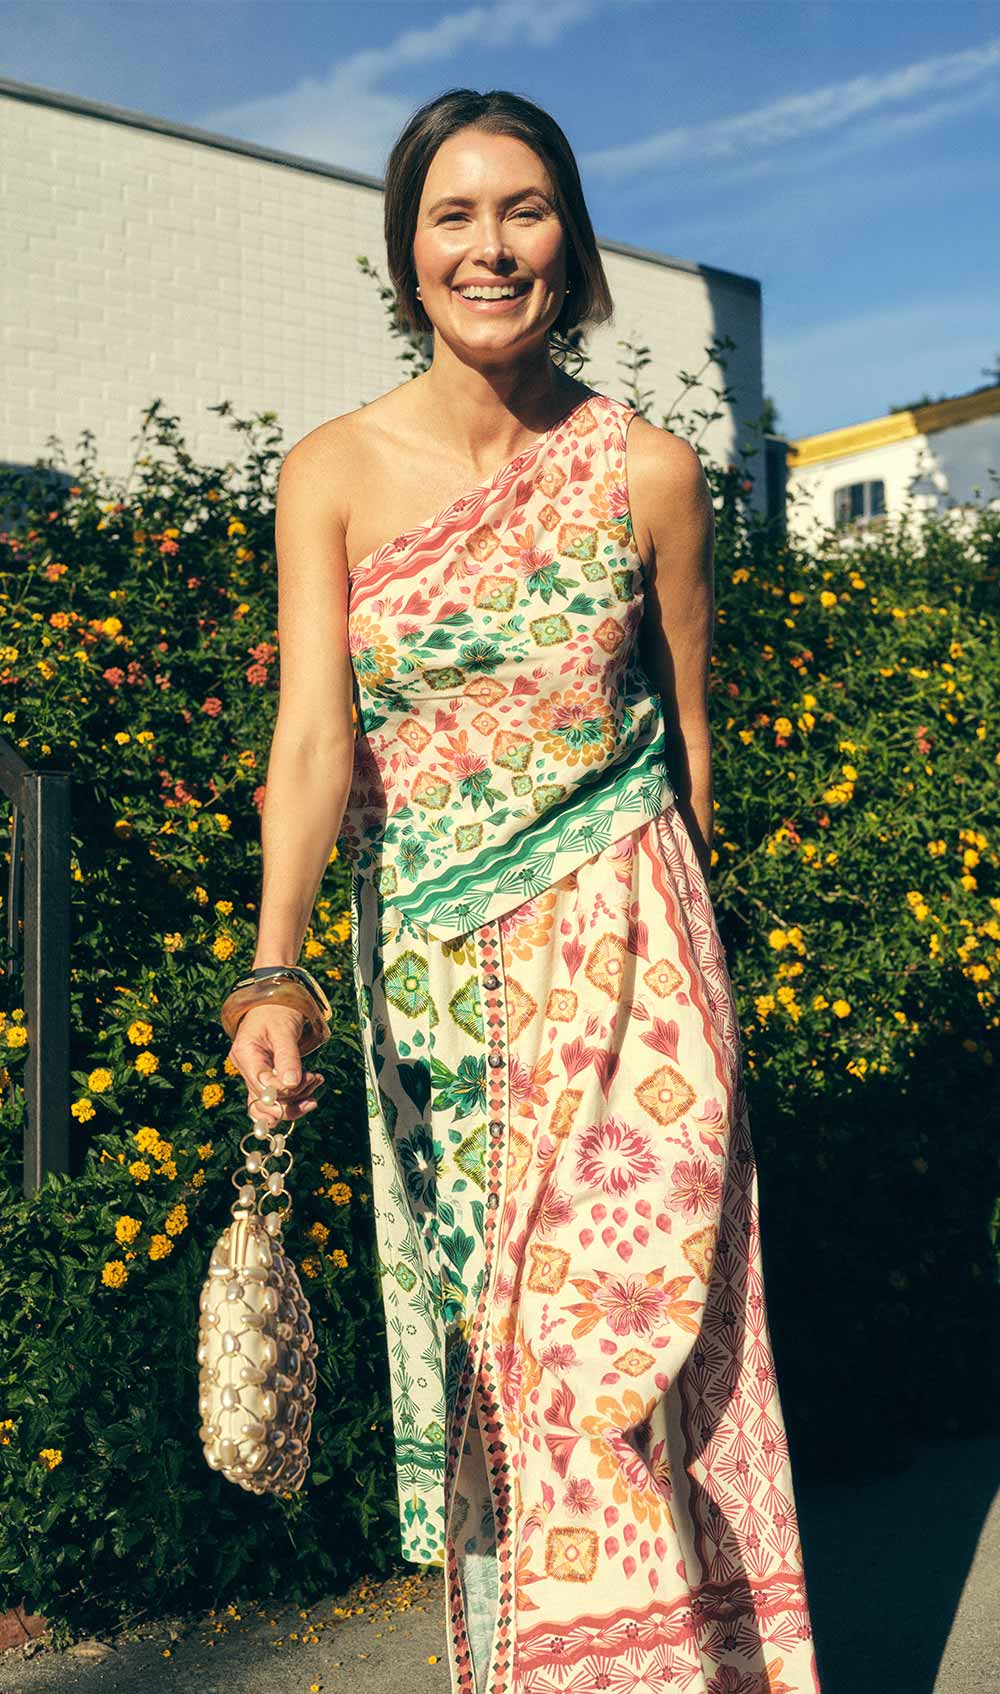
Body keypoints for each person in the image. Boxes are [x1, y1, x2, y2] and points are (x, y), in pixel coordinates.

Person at [224, 87, 821, 1694]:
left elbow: (691, 754)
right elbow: (309, 745)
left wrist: (703, 991)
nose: (492, 248)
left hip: (639, 968)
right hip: (437, 990)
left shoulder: (651, 472)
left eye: (526, 210)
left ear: (574, 238)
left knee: (624, 1347)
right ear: (408, 250)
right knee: (511, 1370)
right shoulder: (332, 472)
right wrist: (272, 975)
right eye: (454, 216)